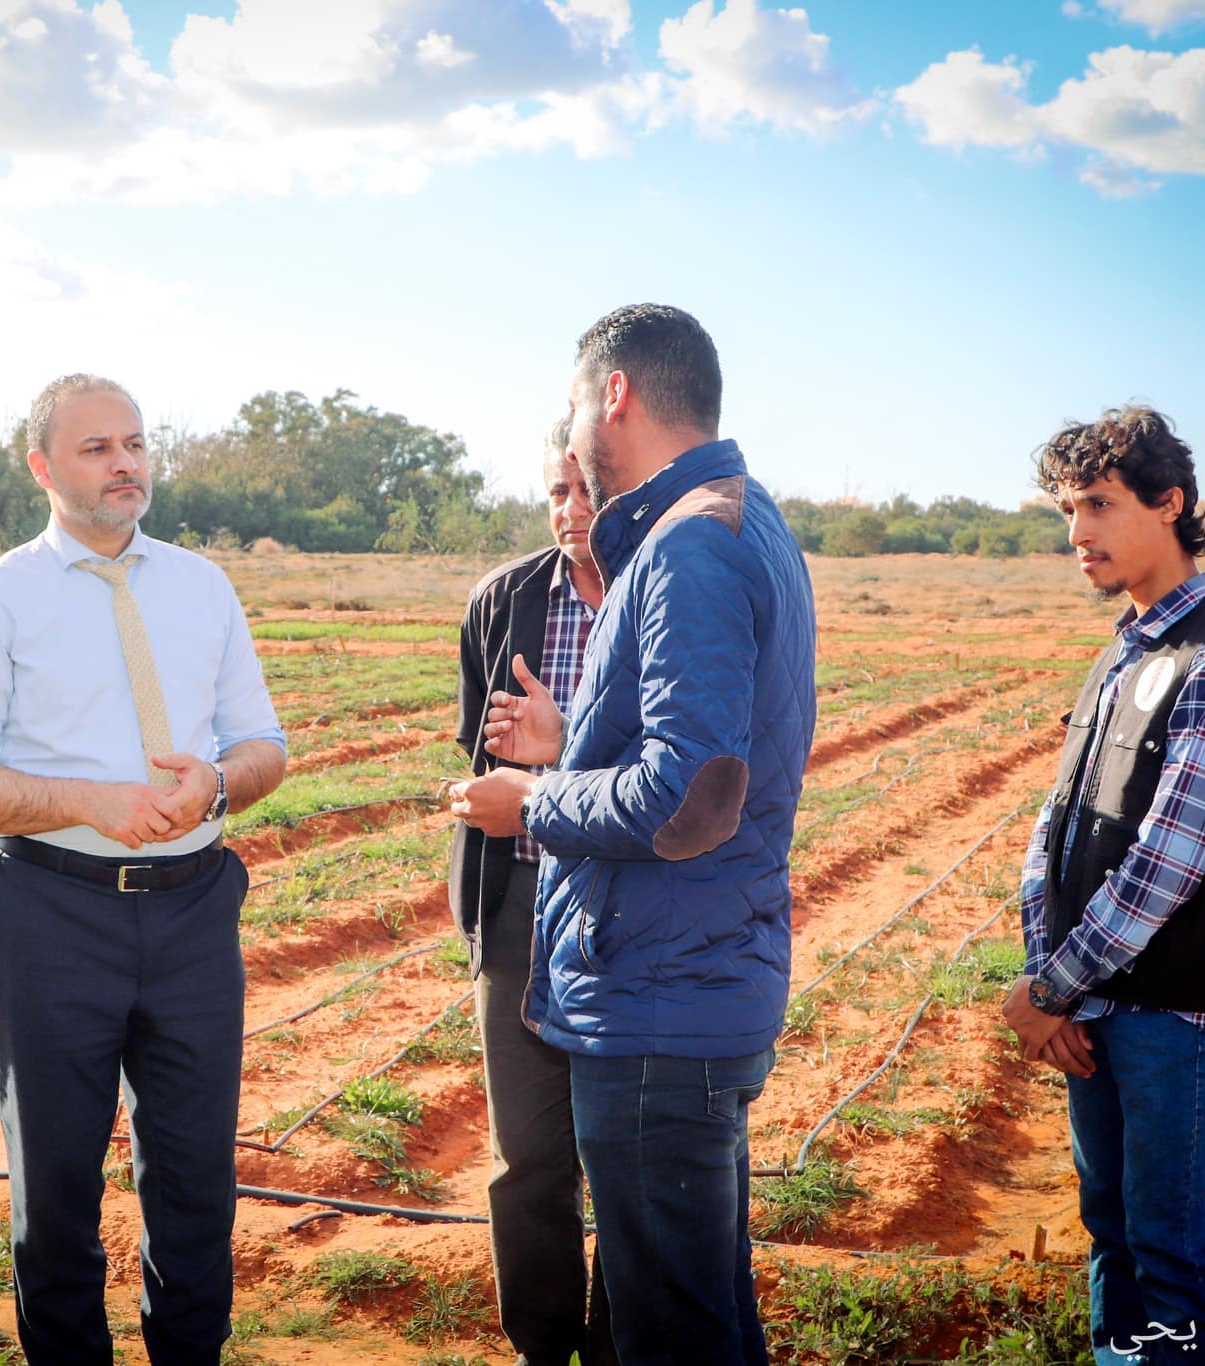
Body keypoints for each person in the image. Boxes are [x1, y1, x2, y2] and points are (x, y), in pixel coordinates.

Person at [460, 303, 816, 1366]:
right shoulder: (730, 519)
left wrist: (531, 801)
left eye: (576, 404)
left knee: (669, 1329)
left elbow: (688, 796)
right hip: (686, 974)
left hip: (658, 998)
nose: (571, 432)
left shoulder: (687, 547)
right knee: (700, 1314)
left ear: (612, 394)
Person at [0, 374, 286, 1365]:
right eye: (96, 448)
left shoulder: (201, 585)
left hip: (193, 913)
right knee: (56, 1201)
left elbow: (263, 745)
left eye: (133, 443)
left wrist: (214, 783)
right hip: (51, 915)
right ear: (42, 468)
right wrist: (87, 799)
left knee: (197, 1186)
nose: (125, 463)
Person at [1003, 407, 1205, 1366]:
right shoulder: (1123, 653)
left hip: (1170, 1017)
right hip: (1094, 1007)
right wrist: (1053, 980)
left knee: (1170, 1257)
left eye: (1098, 505)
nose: (1075, 532)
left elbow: (1165, 864)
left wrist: (1047, 991)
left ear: (1170, 505)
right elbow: (1055, 829)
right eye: (1067, 509)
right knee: (1114, 1239)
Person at [447, 416, 614, 1365]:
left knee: (626, 1156)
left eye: (586, 489)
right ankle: (542, 1348)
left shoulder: (662, 596)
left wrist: (561, 757)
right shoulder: (502, 601)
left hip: (628, 906)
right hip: (517, 903)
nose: (569, 510)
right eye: (557, 491)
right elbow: (486, 743)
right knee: (528, 1157)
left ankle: (622, 1341)